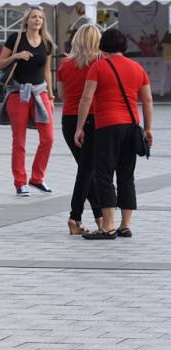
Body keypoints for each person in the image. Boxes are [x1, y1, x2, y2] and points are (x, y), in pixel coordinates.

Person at [74, 28, 153, 239]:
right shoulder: (137, 68)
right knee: (126, 175)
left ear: (103, 46)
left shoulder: (99, 67)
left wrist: (79, 127)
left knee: (104, 175)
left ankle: (107, 226)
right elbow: (147, 100)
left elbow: (86, 98)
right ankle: (125, 225)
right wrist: (147, 128)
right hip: (131, 126)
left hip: (107, 127)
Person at [0, 6, 56, 196]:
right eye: (34, 17)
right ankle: (20, 182)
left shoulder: (46, 43)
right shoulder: (16, 38)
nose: (37, 20)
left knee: (48, 138)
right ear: (27, 21)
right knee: (19, 141)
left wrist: (52, 95)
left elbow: (47, 71)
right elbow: (0, 64)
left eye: (40, 17)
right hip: (18, 93)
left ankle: (37, 178)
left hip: (40, 93)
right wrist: (17, 55)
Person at [57, 24, 103, 235]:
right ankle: (75, 217)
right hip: (91, 118)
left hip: (68, 119)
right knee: (86, 170)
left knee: (87, 169)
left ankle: (99, 216)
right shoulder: (100, 62)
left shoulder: (64, 65)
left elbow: (61, 94)